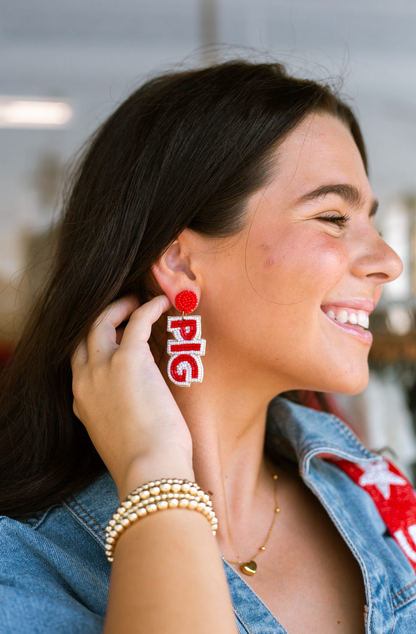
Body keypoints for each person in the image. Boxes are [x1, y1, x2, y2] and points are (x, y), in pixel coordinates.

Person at [0, 59, 414, 634]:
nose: (389, 262)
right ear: (180, 263)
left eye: (369, 219)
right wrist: (154, 472)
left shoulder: (378, 496)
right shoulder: (23, 566)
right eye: (332, 216)